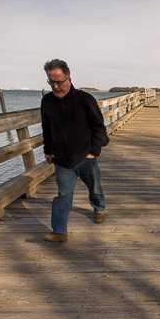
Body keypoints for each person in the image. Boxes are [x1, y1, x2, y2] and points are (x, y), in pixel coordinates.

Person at [40, 59, 109, 242]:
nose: (55, 86)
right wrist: (48, 150)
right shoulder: (47, 101)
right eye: (51, 82)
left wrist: (93, 152)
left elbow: (99, 127)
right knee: (63, 195)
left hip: (86, 156)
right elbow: (46, 128)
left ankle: (99, 208)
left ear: (69, 79)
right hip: (61, 158)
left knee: (94, 188)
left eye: (59, 82)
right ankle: (59, 231)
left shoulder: (84, 99)